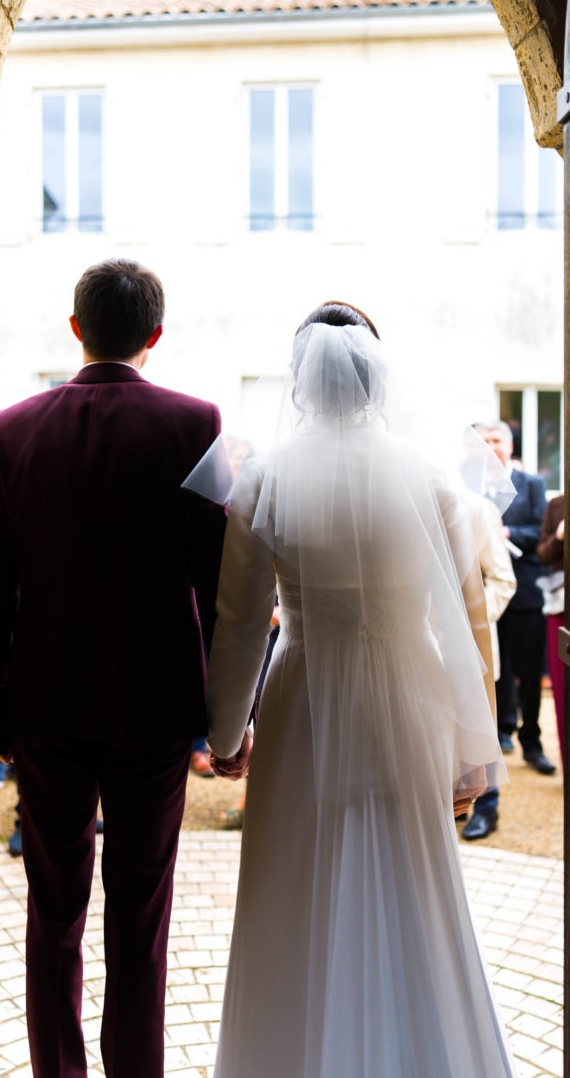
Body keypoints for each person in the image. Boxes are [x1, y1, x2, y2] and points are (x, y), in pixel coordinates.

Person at [202, 304, 515, 1077]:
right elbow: (469, 618)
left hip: (304, 692)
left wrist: (225, 733)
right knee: (413, 879)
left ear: (301, 381)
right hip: (408, 695)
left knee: (293, 886)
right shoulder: (430, 477)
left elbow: (239, 623)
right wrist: (473, 748)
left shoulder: (265, 477)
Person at [0, 259, 226, 1078]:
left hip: (44, 704)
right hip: (155, 707)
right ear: (154, 335)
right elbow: (219, 582)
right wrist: (227, 719)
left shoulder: (11, 428)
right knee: (140, 916)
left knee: (54, 910)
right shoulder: (196, 423)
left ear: (75, 328)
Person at [476, 421, 555, 776]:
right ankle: (502, 731)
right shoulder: (471, 487)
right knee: (497, 666)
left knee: (527, 667)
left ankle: (533, 740)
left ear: (509, 446)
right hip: (486, 593)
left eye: (496, 440)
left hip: (523, 589)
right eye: (483, 441)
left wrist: (505, 532)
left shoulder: (532, 484)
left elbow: (541, 530)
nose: (490, 447)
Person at [458, 495, 517, 840]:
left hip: (470, 641)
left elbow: (503, 579)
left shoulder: (475, 507)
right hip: (415, 643)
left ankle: (488, 805)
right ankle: (454, 803)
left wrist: (467, 623)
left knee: (481, 727)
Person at [537, 493, 565, 766]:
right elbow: (542, 554)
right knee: (562, 691)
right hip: (561, 603)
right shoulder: (557, 504)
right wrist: (559, 538)